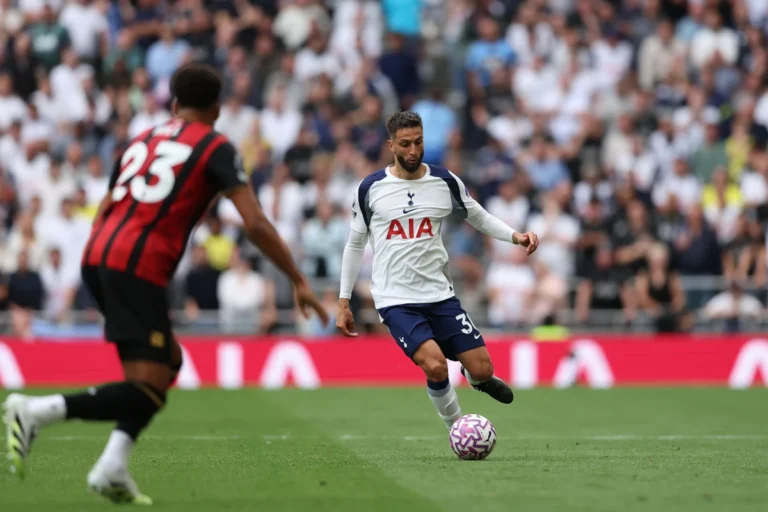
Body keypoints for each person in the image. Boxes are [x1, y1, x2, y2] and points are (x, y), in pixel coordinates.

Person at [3, 64, 328, 504]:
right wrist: (297, 278)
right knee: (145, 386)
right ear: (216, 109)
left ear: (174, 105)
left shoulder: (141, 140)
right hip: (137, 267)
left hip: (97, 257)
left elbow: (108, 207)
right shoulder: (215, 145)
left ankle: (112, 466)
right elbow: (253, 221)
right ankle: (37, 411)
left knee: (166, 364)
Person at [336, 111, 538, 429]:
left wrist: (515, 236)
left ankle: (478, 379)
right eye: (405, 144)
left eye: (418, 142)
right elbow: (354, 245)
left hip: (439, 294)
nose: (413, 150)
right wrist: (344, 300)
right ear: (391, 145)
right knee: (435, 365)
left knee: (483, 368)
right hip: (396, 299)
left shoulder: (444, 180)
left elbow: (478, 215)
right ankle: (458, 428)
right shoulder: (370, 188)